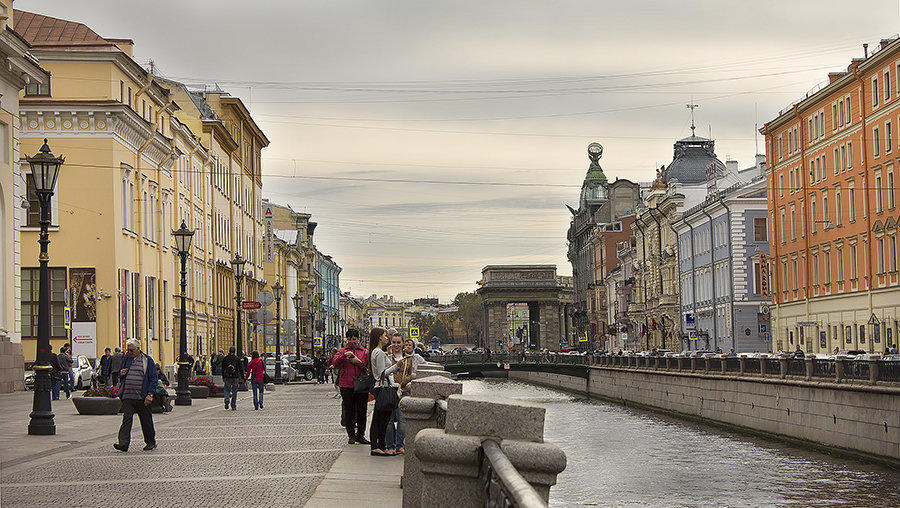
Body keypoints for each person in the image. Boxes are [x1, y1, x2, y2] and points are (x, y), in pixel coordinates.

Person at [367, 327, 410, 457]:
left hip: (382, 387)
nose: (387, 337)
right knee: (381, 419)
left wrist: (389, 355)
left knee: (381, 419)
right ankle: (377, 446)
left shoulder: (378, 352)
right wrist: (397, 366)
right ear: (380, 337)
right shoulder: (379, 352)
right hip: (383, 388)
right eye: (385, 335)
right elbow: (382, 373)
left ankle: (381, 446)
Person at [113, 338, 158, 452]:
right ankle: (123, 444)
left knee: (146, 420)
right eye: (128, 350)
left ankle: (150, 442)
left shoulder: (147, 360)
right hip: (128, 395)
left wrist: (150, 394)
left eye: (132, 350)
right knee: (126, 419)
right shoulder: (126, 358)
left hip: (142, 397)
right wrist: (121, 373)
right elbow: (120, 373)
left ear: (138, 349)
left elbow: (153, 378)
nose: (130, 352)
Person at [331, 328, 370, 445]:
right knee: (349, 410)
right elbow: (335, 363)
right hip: (346, 385)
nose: (352, 341)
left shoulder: (364, 352)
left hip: (361, 384)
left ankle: (361, 435)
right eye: (349, 339)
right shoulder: (342, 351)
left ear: (358, 339)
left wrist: (359, 362)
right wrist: (344, 355)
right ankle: (351, 435)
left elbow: (367, 368)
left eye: (354, 339)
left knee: (362, 410)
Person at [221, 346, 244, 411]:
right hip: (235, 377)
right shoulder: (237, 359)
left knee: (226, 389)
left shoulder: (225, 358)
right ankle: (233, 405)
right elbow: (240, 368)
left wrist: (223, 376)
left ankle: (227, 399)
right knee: (234, 391)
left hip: (227, 376)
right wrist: (242, 377)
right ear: (234, 351)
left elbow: (222, 368)